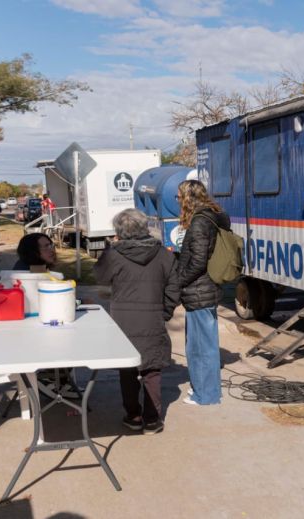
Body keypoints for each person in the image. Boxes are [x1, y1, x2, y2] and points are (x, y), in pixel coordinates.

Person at [94, 208, 180, 434]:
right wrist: (165, 311)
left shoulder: (112, 255)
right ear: (144, 228)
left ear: (119, 231)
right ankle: (152, 420)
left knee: (128, 369)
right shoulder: (164, 254)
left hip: (123, 319)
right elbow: (174, 287)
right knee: (152, 370)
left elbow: (101, 283)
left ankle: (133, 415)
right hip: (152, 317)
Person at [175, 180, 230, 406]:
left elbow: (198, 261)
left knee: (201, 347)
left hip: (199, 290)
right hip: (206, 288)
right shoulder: (213, 215)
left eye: (179, 196)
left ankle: (206, 395)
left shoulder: (199, 222)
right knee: (201, 345)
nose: (178, 200)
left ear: (188, 197)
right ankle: (203, 389)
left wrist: (178, 281)